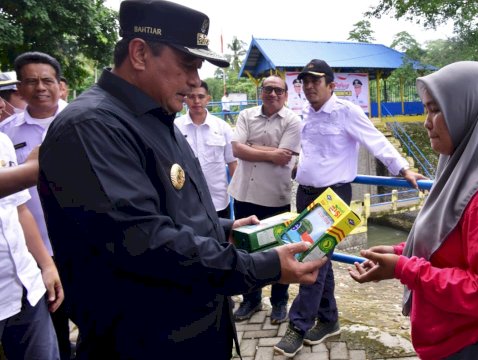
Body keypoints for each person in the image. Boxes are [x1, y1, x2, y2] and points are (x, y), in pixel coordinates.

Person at [37, 1, 326, 358]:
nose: (194, 80)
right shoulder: (92, 127)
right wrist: (263, 266)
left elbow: (165, 210)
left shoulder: (152, 117)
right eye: (188, 64)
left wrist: (224, 229)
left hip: (190, 331)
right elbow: (143, 241)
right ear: (140, 53)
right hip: (143, 342)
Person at [348, 61, 478, 359]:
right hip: (466, 339)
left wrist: (406, 268)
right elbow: (456, 239)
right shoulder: (464, 171)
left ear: (467, 111)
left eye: (436, 109)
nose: (427, 121)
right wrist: (403, 252)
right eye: (426, 109)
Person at [274, 59, 425, 357]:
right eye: (305, 81)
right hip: (305, 194)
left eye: (316, 81)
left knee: (310, 258)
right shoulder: (303, 113)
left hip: (332, 197)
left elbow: (376, 141)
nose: (309, 86)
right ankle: (329, 321)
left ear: (331, 85)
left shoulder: (347, 112)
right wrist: (299, 167)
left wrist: (404, 169)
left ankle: (298, 325)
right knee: (322, 258)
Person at [0, 51, 71, 359]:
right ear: (20, 88)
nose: (40, 87)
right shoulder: (8, 132)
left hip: (87, 240)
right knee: (55, 324)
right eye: (31, 81)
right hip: (39, 246)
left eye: (47, 80)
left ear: (62, 85)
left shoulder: (86, 122)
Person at [228, 75, 301, 324]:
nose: (273, 94)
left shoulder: (293, 120)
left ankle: (279, 301)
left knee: (280, 249)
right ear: (261, 92)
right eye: (268, 89)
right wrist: (271, 152)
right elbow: (236, 150)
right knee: (245, 249)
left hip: (276, 197)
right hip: (244, 195)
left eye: (278, 90)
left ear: (286, 94)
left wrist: (252, 147)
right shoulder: (246, 115)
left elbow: (286, 156)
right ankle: (251, 299)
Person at [0, 131, 64, 359]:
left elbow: (19, 209)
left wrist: (46, 265)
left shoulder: (3, 141)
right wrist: (34, 169)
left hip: (25, 285)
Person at [175, 81, 237, 218]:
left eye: (201, 96)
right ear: (185, 98)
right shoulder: (175, 127)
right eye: (191, 97)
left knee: (223, 237)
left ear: (208, 99)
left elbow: (232, 163)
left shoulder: (222, 127)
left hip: (219, 200)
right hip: (187, 202)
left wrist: (236, 194)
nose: (196, 101)